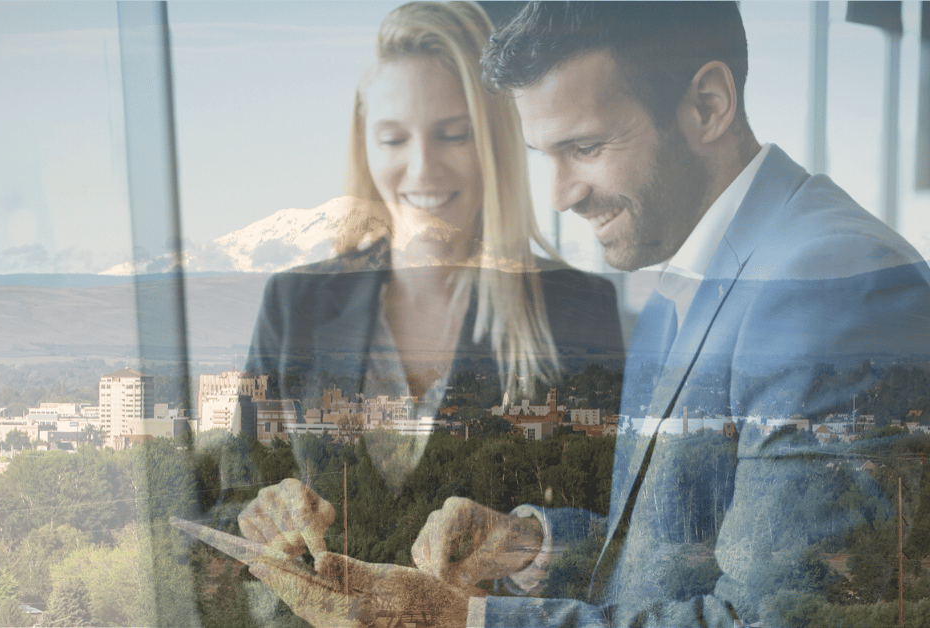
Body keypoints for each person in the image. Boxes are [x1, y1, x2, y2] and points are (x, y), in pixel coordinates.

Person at [240, 2, 930, 627]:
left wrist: (461, 622)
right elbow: (672, 552)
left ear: (710, 104)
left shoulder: (831, 290)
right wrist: (533, 545)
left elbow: (771, 619)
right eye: (548, 154)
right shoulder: (686, 278)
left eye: (587, 148)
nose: (562, 193)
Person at [235, 2, 622, 625]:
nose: (422, 169)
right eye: (395, 138)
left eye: (453, 133)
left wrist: (524, 543)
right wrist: (262, 514)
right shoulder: (294, 305)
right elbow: (231, 494)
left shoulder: (577, 313)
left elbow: (617, 544)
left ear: (497, 141)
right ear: (366, 144)